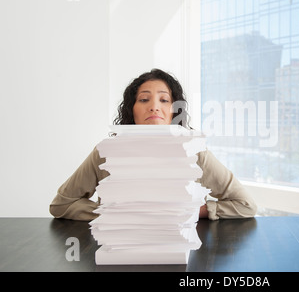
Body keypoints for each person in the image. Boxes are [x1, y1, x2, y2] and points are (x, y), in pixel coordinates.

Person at [49, 69, 257, 221]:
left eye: (164, 100)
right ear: (132, 110)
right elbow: (62, 205)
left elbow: (246, 205)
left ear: (175, 112)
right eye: (144, 99)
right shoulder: (106, 152)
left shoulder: (194, 152)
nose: (154, 107)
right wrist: (111, 213)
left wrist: (196, 211)